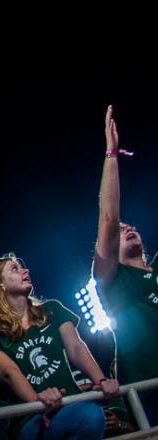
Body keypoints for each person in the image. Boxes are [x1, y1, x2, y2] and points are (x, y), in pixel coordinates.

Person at [0, 253, 112, 440]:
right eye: (14, 269)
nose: (25, 271)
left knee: (91, 417)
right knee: (90, 417)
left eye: (22, 267)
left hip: (71, 406)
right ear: (0, 285)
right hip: (31, 420)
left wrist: (102, 379)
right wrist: (38, 400)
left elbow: (76, 347)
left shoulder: (51, 309)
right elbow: (9, 371)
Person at [92, 105, 157, 423]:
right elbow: (109, 216)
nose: (126, 228)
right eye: (119, 232)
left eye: (130, 226)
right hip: (149, 388)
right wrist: (112, 153)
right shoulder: (112, 279)